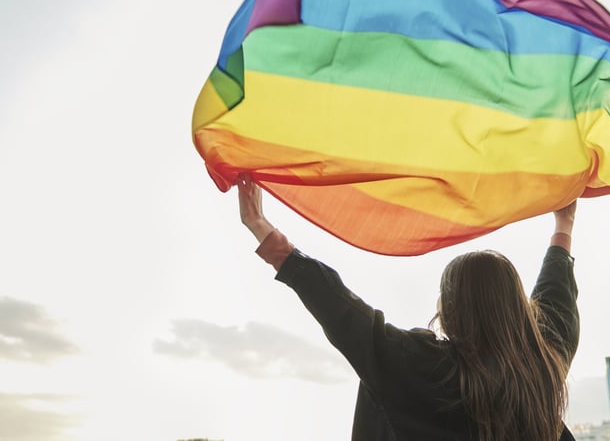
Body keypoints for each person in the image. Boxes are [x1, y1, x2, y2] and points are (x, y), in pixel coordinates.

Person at [237, 173, 579, 441]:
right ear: (518, 304)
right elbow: (556, 294)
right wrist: (564, 224)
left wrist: (263, 231)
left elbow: (340, 309)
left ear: (449, 308)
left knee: (378, 382)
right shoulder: (545, 360)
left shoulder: (425, 368)